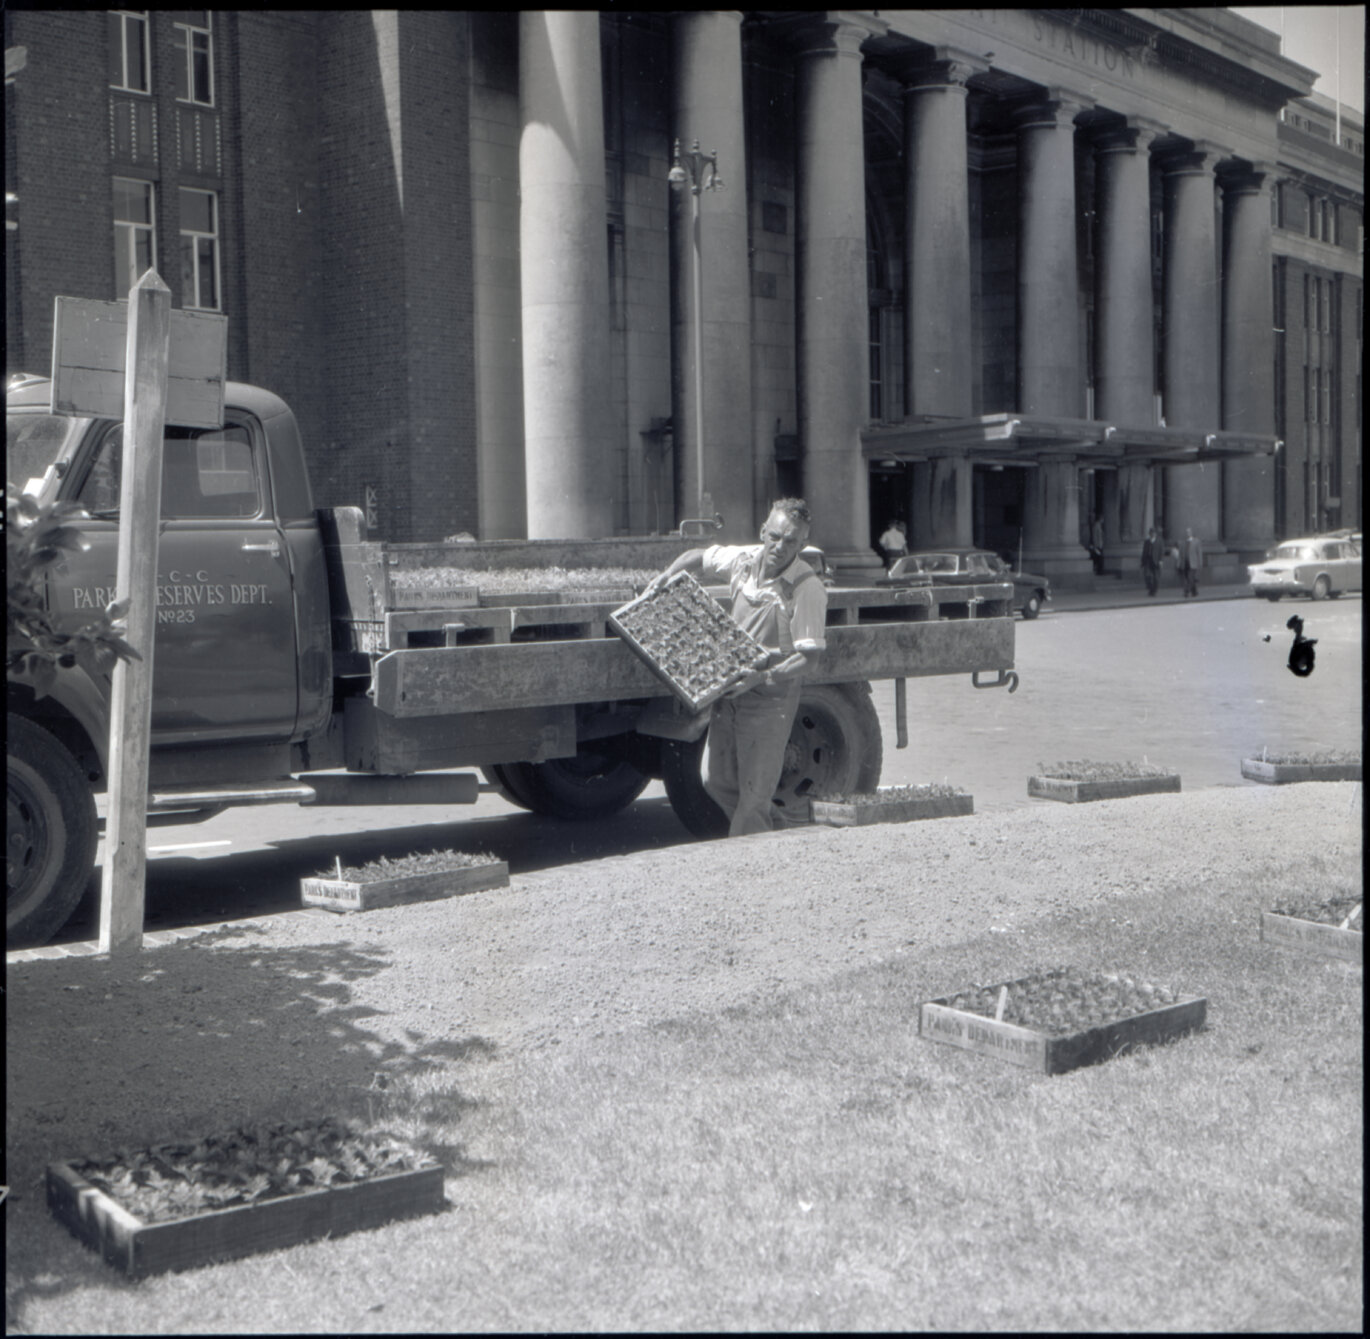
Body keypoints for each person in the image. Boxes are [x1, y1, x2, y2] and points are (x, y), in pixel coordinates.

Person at [644, 498, 828, 837]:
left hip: (769, 701)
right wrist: (668, 576)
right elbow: (697, 556)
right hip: (730, 692)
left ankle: (749, 865)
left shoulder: (807, 588)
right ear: (763, 531)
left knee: (753, 799)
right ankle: (785, 837)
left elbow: (810, 659)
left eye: (791, 541)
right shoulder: (743, 561)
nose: (780, 546)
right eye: (775, 536)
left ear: (803, 544)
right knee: (715, 781)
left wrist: (764, 676)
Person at [1180, 527, 1203, 598]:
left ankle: (1186, 591)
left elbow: (1199, 553)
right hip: (1186, 563)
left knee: (1190, 578)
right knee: (1188, 578)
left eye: (1189, 532)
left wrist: (1200, 563)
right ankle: (1194, 592)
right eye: (1187, 532)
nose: (1188, 533)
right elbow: (1181, 553)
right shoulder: (1184, 542)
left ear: (1192, 533)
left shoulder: (1196, 541)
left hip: (1193, 563)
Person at [1140, 527, 1162, 597]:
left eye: (1154, 533)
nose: (1152, 534)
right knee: (1147, 576)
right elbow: (1144, 552)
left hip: (1156, 561)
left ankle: (1154, 590)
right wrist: (1142, 561)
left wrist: (1161, 560)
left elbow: (1161, 551)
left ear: (1156, 534)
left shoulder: (1159, 541)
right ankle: (1150, 588)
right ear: (1149, 534)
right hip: (1148, 560)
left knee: (1156, 577)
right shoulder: (1147, 542)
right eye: (1151, 533)